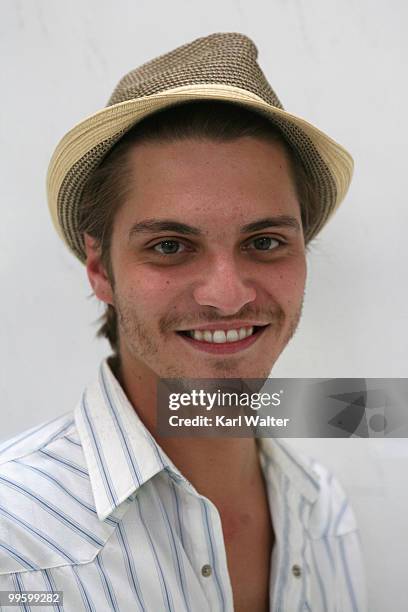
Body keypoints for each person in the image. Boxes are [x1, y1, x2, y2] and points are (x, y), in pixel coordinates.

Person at [0, 33, 367, 611]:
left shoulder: (323, 508)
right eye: (170, 246)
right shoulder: (12, 532)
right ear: (100, 270)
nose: (227, 297)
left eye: (265, 241)